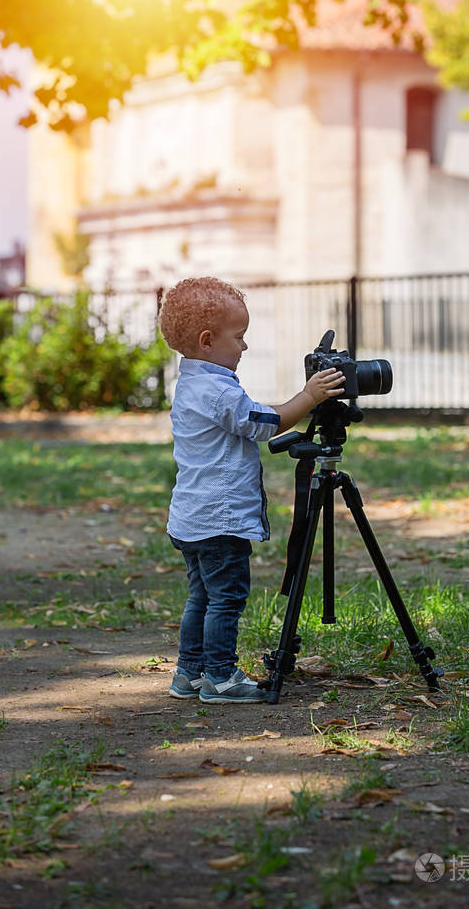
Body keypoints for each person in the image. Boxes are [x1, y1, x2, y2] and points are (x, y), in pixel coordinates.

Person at [158, 276, 345, 704]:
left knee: (201, 597)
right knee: (226, 598)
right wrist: (309, 396)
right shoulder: (219, 390)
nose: (244, 346)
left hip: (192, 517)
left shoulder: (190, 383)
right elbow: (264, 423)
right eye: (239, 337)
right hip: (219, 520)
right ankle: (221, 677)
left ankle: (189, 673)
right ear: (207, 341)